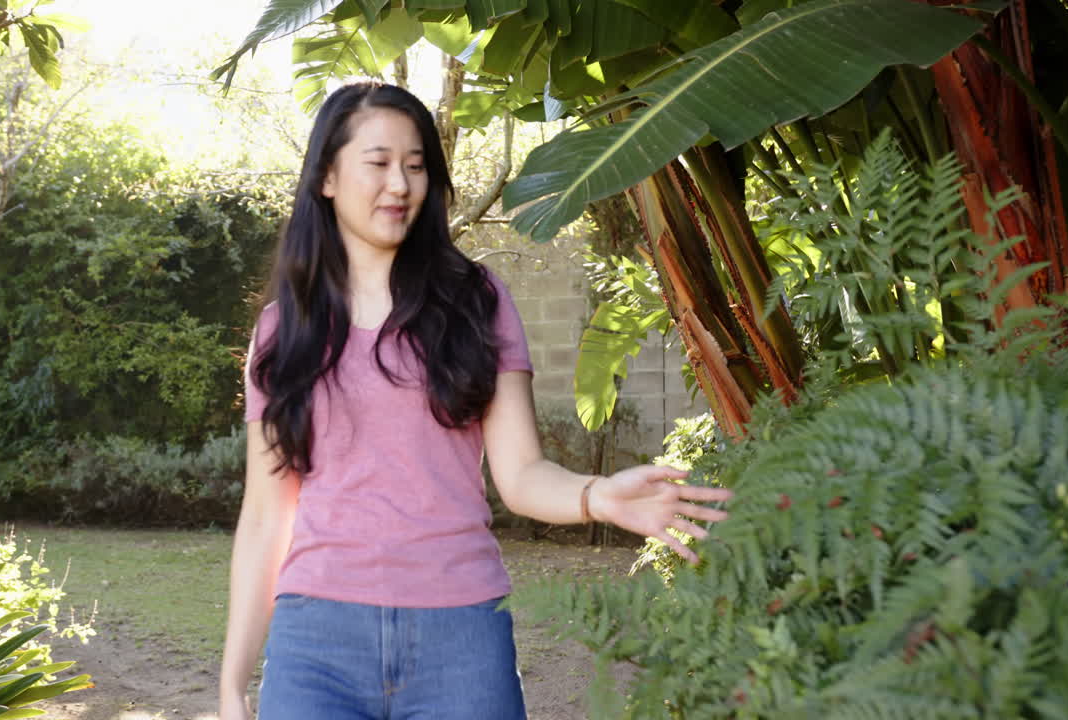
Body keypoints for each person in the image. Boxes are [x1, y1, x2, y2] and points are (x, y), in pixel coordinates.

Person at [218, 82, 732, 720]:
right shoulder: (282, 329)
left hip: (460, 637)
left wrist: (598, 495)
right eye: (378, 164)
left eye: (416, 166)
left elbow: (520, 477)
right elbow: (268, 516)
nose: (400, 184)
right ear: (327, 176)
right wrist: (233, 682)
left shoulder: (475, 302)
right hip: (314, 646)